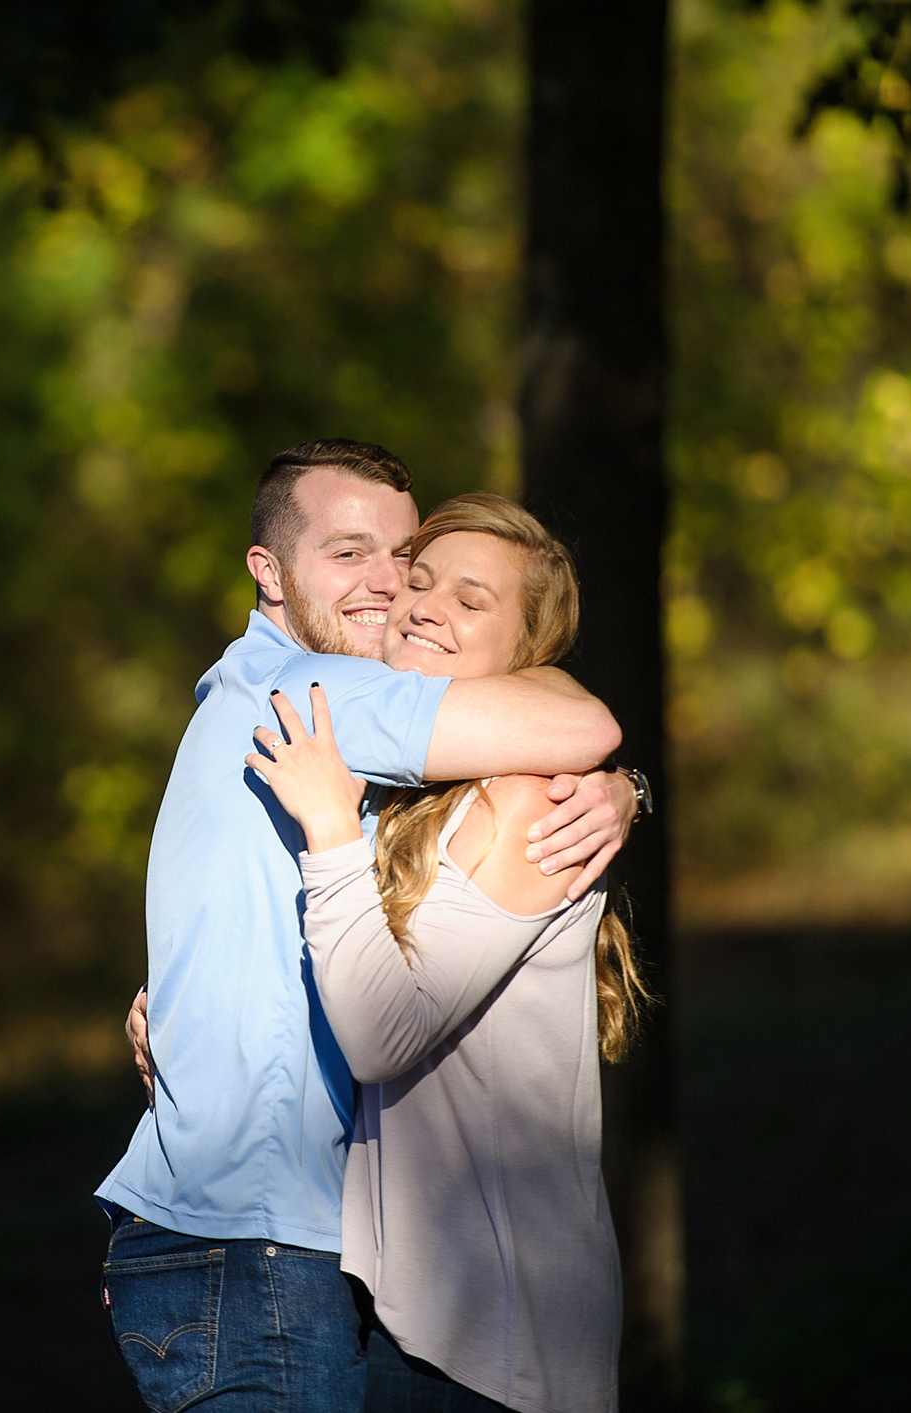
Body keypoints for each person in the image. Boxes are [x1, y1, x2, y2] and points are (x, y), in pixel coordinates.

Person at [96, 440, 641, 1413]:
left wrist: (623, 792)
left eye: (402, 558)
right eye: (349, 555)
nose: (394, 590)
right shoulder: (321, 700)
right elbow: (583, 724)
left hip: (334, 1277)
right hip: (254, 1246)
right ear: (266, 570)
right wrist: (618, 777)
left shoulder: (332, 736)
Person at [246, 493, 647, 1413]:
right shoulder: (412, 800)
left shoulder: (523, 802)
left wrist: (324, 832)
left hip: (484, 1338)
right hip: (414, 1316)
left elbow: (380, 1033)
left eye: (472, 601)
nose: (425, 605)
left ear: (527, 658)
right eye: (418, 583)